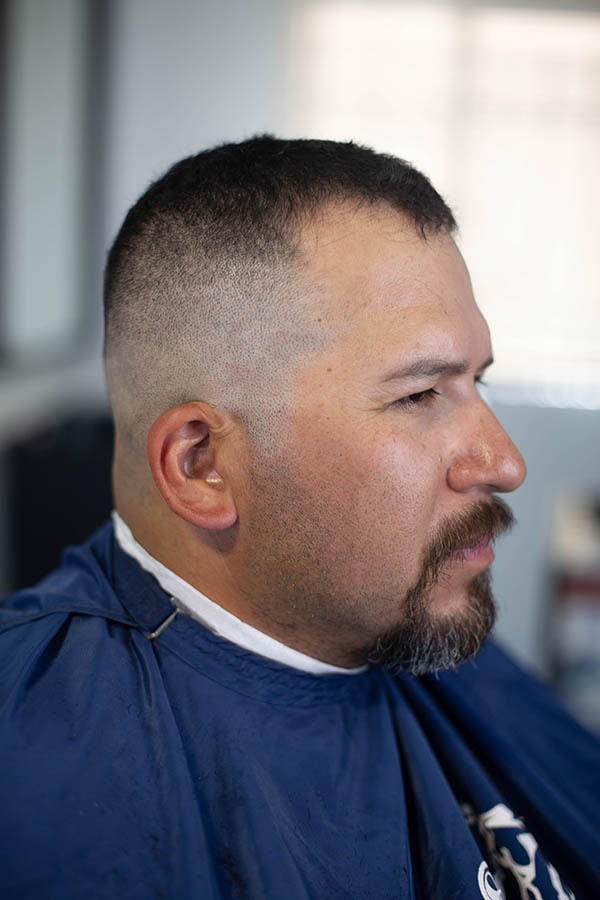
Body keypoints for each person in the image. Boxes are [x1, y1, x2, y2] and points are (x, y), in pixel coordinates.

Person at [0, 136, 598, 900]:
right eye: (420, 395)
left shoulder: (412, 618)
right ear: (201, 466)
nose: (505, 464)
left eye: (476, 381)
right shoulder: (39, 764)